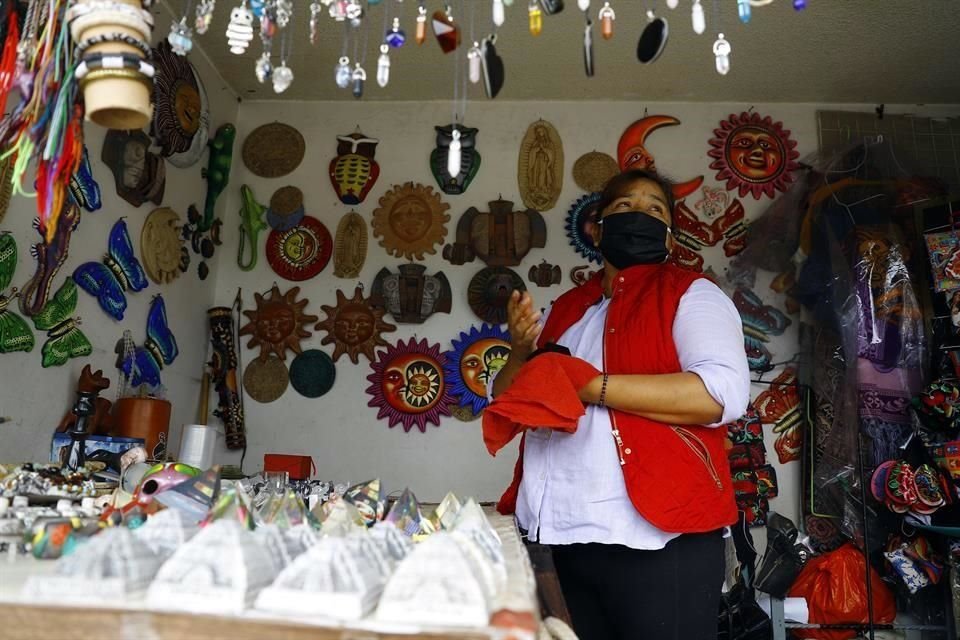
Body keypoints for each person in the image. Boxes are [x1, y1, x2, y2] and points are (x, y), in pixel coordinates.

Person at [488, 169, 750, 640]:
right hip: (561, 533)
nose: (641, 215)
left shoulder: (690, 293)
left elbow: (721, 392)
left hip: (657, 536)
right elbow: (508, 398)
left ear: (669, 234)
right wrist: (520, 352)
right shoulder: (567, 310)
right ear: (597, 227)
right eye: (625, 206)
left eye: (655, 209)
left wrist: (593, 387)